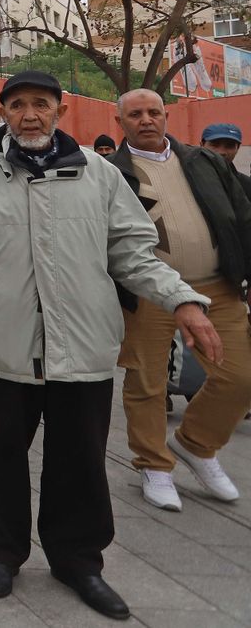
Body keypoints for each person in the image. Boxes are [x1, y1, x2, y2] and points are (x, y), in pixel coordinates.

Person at [0, 70, 218, 619]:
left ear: (59, 111)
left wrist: (183, 300)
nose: (29, 114)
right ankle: (1, 554)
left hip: (82, 347)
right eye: (18, 105)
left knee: (79, 459)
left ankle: (78, 560)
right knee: (0, 455)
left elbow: (133, 252)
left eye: (41, 104)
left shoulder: (99, 174)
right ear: (3, 113)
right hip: (2, 348)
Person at [107, 91, 251, 511]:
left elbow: (243, 215)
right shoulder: (113, 171)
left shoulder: (203, 161)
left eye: (154, 112)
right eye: (135, 114)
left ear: (166, 116)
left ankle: (196, 444)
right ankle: (154, 464)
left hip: (216, 287)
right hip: (149, 291)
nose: (146, 120)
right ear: (122, 122)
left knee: (240, 376)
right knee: (147, 382)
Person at [201, 123, 251, 199]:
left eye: (229, 146)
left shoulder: (246, 184)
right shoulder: (185, 177)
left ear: (237, 148)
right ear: (202, 145)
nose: (221, 152)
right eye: (215, 145)